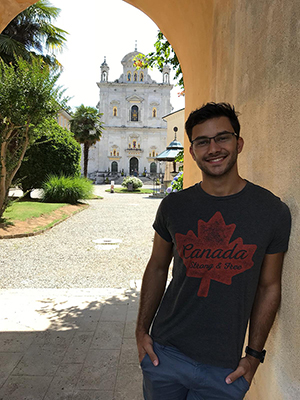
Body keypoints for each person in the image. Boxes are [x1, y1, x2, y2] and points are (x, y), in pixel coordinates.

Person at [136, 102, 291, 400]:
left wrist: (254, 356)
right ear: (192, 152)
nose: (213, 148)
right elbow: (156, 267)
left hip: (225, 370)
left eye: (222, 137)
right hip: (165, 355)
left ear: (239, 143)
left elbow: (269, 286)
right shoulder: (174, 206)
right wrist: (141, 332)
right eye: (202, 141)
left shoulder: (272, 211)